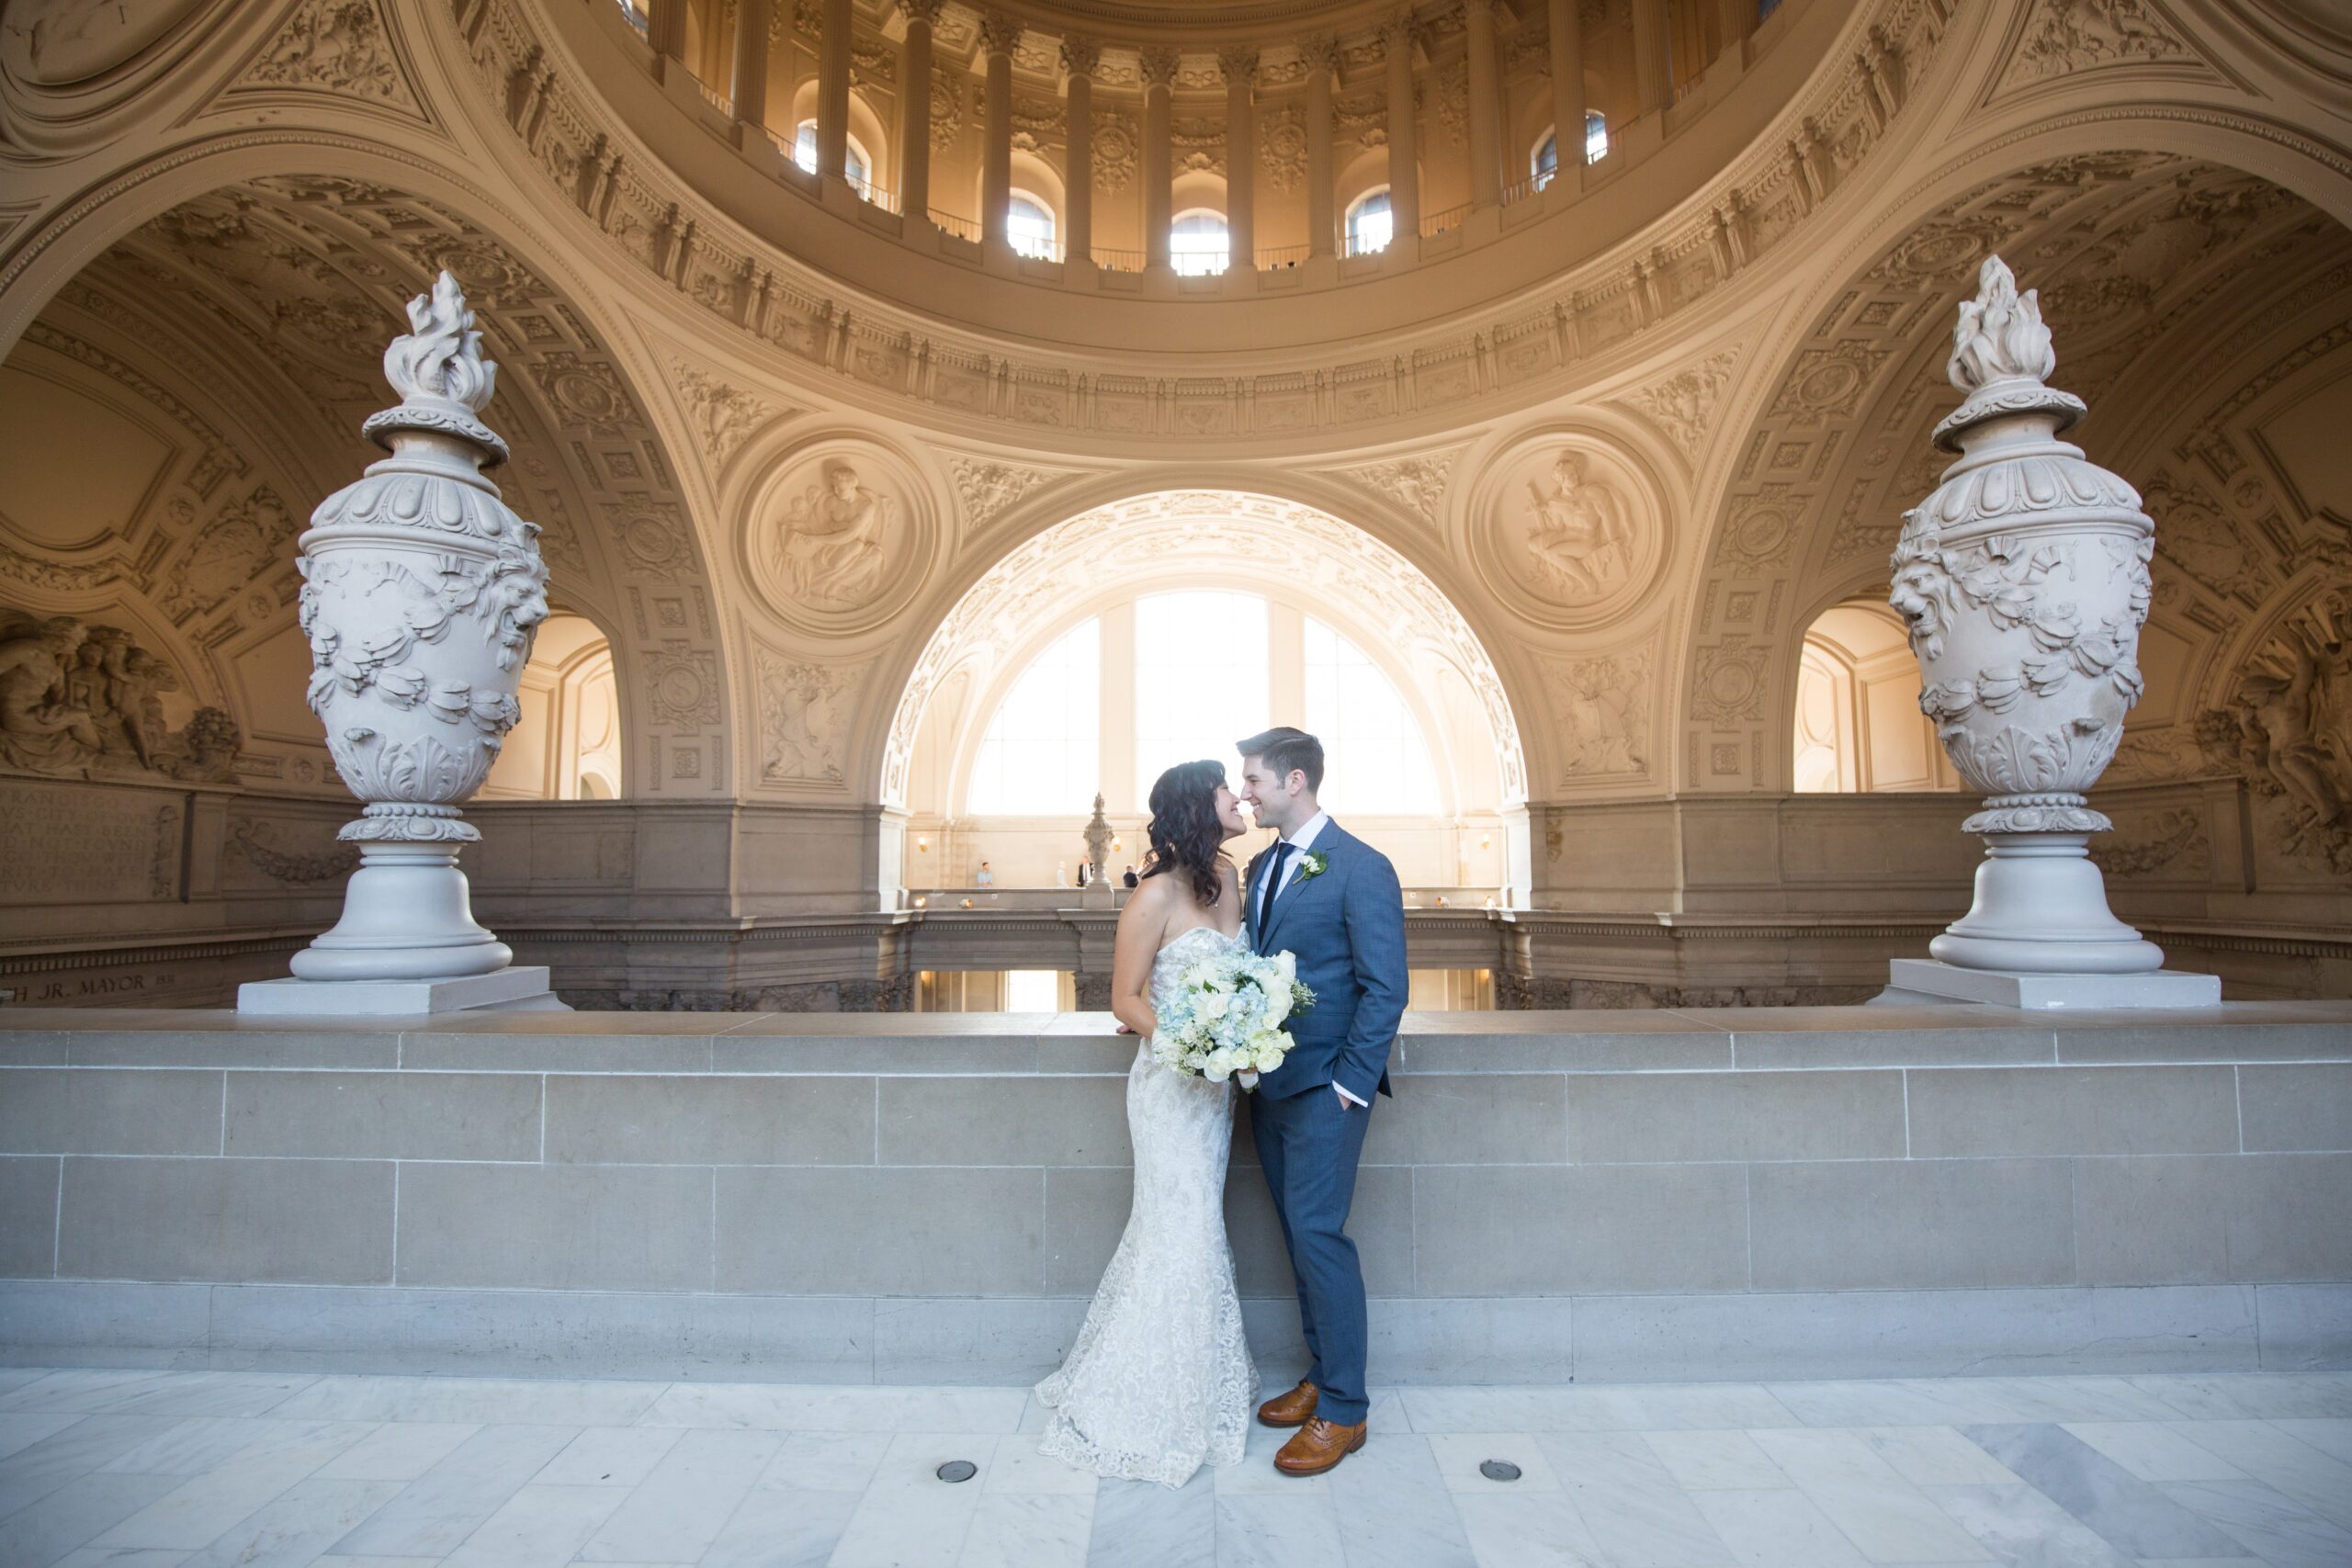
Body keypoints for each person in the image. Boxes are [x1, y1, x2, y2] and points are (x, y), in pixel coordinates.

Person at [1035, 760, 1256, 1487]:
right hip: (1170, 1088)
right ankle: (1149, 1401)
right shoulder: (1153, 894)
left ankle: (1193, 1379)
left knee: (1194, 1228)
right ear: (1201, 805)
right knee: (1181, 1227)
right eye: (1226, 788)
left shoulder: (1234, 878)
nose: (1238, 797)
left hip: (1217, 1095)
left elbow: (1245, 979)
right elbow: (1126, 1001)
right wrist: (1198, 1047)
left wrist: (1246, 1034)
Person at [1233, 725, 1406, 1477]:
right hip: (1268, 1086)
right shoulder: (1262, 864)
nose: (1246, 792)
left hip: (1326, 1091)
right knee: (1299, 1239)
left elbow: (1384, 986)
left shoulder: (1363, 867)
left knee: (1320, 1238)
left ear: (1294, 780)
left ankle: (1344, 1408)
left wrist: (1347, 1086)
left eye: (1255, 781)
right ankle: (1320, 1371)